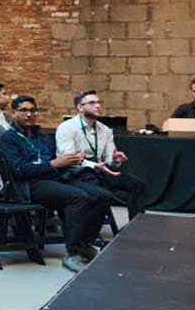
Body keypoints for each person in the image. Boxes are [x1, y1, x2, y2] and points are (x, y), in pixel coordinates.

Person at [0, 95, 115, 272]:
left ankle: (85, 244)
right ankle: (73, 253)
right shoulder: (8, 139)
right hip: (29, 185)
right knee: (78, 197)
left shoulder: (42, 136)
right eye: (24, 110)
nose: (29, 114)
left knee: (102, 195)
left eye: (33, 110)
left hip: (54, 178)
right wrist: (53, 164)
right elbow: (18, 170)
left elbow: (57, 161)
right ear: (13, 113)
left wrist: (71, 160)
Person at [54, 88, 146, 217]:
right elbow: (70, 159)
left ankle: (136, 225)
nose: (98, 106)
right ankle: (89, 224)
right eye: (92, 103)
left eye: (99, 102)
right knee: (101, 193)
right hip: (75, 173)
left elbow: (108, 160)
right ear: (80, 107)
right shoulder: (67, 128)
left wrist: (114, 160)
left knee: (137, 184)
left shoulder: (105, 130)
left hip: (98, 172)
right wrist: (95, 165)